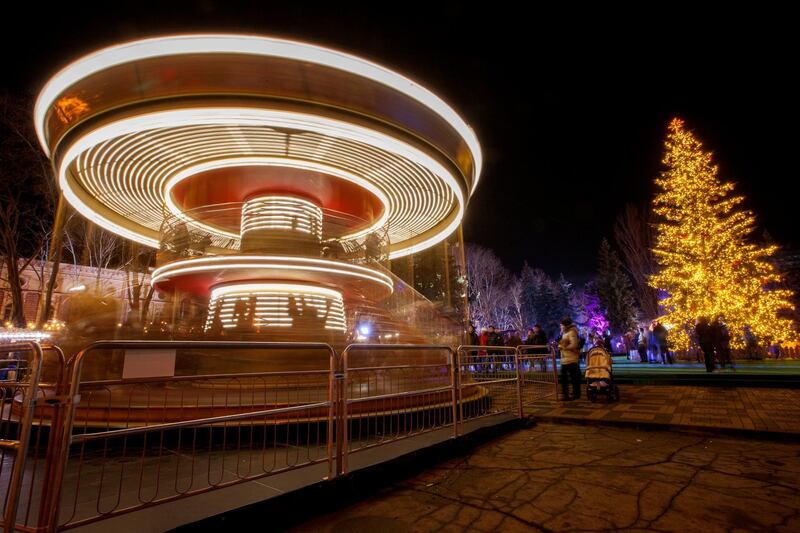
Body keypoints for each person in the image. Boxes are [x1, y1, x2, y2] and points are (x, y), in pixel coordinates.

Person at [557, 317, 581, 401]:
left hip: (571, 359)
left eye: (561, 325)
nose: (560, 327)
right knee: (564, 378)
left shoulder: (572, 332)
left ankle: (576, 393)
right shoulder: (564, 333)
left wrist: (563, 347)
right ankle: (565, 393)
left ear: (565, 325)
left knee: (574, 377)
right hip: (565, 359)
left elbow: (574, 344)